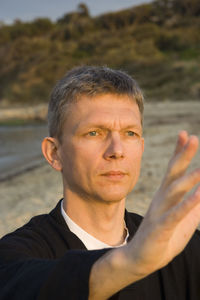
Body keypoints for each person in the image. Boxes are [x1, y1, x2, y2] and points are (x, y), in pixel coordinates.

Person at [0, 66, 200, 300]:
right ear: (54, 152)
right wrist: (131, 261)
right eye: (94, 133)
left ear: (141, 149)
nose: (117, 151)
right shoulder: (15, 254)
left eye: (130, 134)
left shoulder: (181, 246)